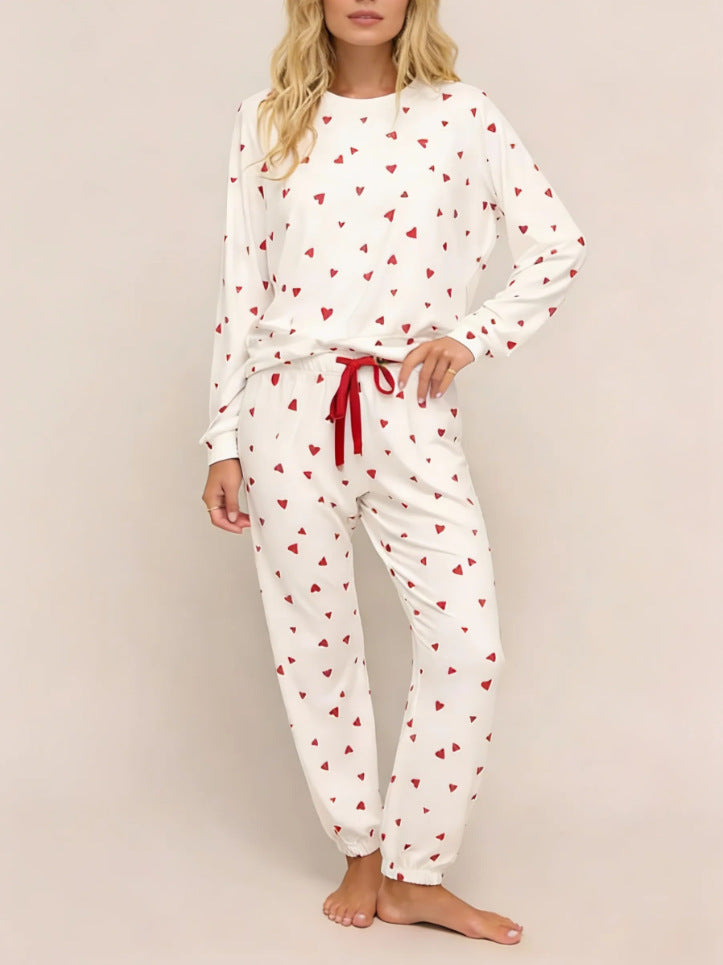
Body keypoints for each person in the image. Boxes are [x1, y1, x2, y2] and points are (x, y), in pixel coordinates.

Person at [199, 0, 587, 942]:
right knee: (316, 646)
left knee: (468, 645)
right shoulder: (264, 119)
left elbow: (556, 243)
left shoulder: (461, 114)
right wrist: (222, 437)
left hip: (406, 406)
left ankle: (417, 870)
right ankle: (360, 853)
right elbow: (242, 283)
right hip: (285, 406)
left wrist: (473, 335)